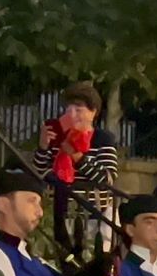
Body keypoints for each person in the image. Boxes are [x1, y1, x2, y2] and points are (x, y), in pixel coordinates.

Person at [35, 81, 120, 256]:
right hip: (59, 213)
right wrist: (43, 146)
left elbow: (107, 179)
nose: (72, 114)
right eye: (68, 109)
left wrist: (76, 156)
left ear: (93, 112)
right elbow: (39, 171)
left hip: (92, 217)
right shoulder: (59, 136)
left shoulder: (102, 139)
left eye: (79, 109)